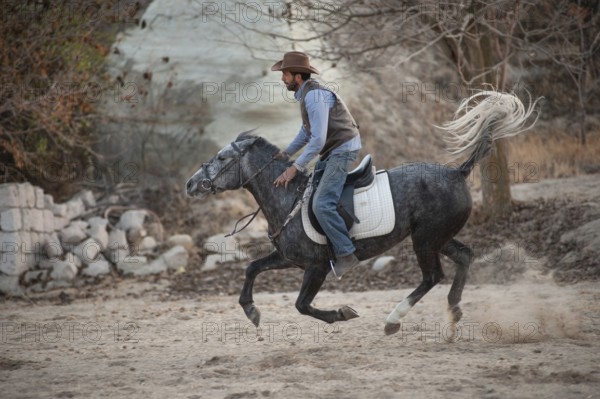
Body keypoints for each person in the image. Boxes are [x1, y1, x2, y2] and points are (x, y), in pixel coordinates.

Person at [271, 51, 362, 278]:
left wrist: (294, 168)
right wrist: (285, 154)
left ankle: (346, 253)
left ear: (297, 77)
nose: (282, 78)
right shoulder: (307, 94)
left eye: (285, 73)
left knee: (322, 204)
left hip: (342, 151)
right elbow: (306, 131)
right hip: (333, 150)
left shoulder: (314, 97)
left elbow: (318, 140)